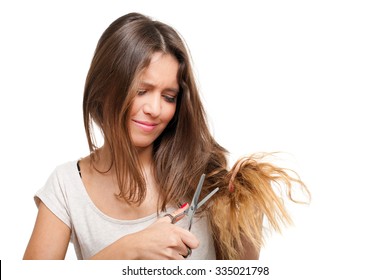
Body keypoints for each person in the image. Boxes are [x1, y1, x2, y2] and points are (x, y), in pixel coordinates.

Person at [23, 12, 309, 260]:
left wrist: (247, 220)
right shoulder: (67, 186)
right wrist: (130, 248)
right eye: (141, 91)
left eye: (169, 97)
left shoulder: (204, 174)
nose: (155, 109)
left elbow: (237, 271)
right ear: (106, 86)